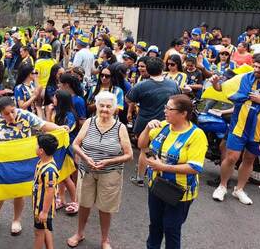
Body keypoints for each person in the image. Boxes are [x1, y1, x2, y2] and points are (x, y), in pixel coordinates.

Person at [0, 97, 68, 236]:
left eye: (13, 111)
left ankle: (16, 220)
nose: (11, 116)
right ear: (0, 113)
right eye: (7, 114)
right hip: (0, 161)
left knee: (18, 190)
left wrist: (59, 128)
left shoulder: (25, 115)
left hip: (21, 160)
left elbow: (43, 125)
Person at [138, 94, 207, 249]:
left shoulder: (197, 135)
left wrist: (163, 167)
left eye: (169, 109)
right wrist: (147, 127)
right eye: (165, 107)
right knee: (155, 224)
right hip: (156, 185)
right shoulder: (162, 126)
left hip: (179, 191)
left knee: (171, 229)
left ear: (183, 114)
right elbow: (142, 145)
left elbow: (194, 167)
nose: (165, 111)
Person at [67, 91, 133, 249]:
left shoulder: (120, 127)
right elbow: (75, 144)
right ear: (96, 106)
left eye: (108, 106)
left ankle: (105, 240)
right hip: (87, 170)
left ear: (115, 108)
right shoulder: (89, 122)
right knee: (84, 204)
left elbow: (129, 155)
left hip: (110, 173)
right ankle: (79, 233)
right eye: (101, 106)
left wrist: (109, 161)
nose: (104, 109)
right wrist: (85, 157)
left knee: (105, 208)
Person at [211, 53, 260, 205]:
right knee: (231, 157)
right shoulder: (244, 77)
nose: (257, 69)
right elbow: (222, 88)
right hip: (239, 126)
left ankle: (239, 189)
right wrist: (215, 84)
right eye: (256, 66)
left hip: (258, 130)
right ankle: (222, 186)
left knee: (249, 159)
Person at [126, 57, 181, 186]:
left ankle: (139, 178)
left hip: (144, 122)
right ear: (162, 69)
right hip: (165, 123)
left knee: (144, 150)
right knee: (161, 149)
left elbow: (128, 99)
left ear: (147, 70)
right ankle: (158, 174)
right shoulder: (173, 84)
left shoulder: (141, 85)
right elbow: (178, 98)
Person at [33, 134, 60, 249]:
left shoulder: (49, 171)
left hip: (43, 207)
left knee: (39, 232)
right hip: (39, 205)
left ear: (41, 150)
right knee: (45, 228)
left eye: (36, 145)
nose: (34, 147)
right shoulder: (41, 161)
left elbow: (50, 191)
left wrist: (44, 212)